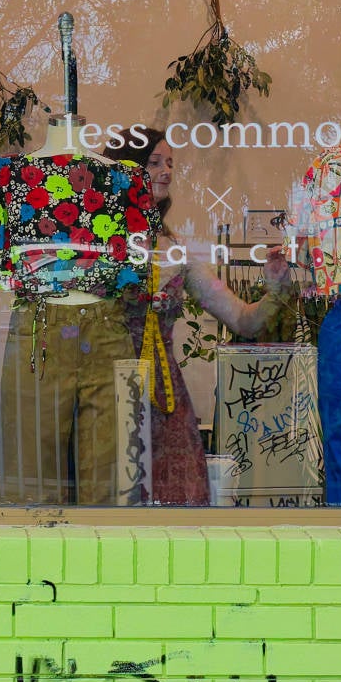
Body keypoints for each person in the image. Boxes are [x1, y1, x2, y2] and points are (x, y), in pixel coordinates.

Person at [112, 124, 297, 505]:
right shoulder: (95, 246)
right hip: (107, 392)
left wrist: (275, 286)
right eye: (154, 163)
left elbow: (244, 320)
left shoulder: (177, 250)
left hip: (164, 398)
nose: (166, 172)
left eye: (170, 164)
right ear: (125, 170)